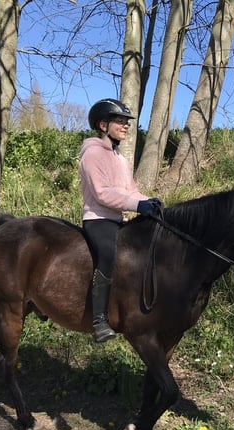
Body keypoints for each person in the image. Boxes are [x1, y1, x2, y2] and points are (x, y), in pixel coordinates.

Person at [80, 98, 162, 343]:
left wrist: (150, 201)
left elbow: (131, 192)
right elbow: (102, 193)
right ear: (103, 124)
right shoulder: (92, 154)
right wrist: (138, 205)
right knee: (107, 254)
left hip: (119, 219)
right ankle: (99, 320)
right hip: (98, 219)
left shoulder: (121, 160)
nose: (126, 126)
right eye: (120, 121)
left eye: (127, 122)